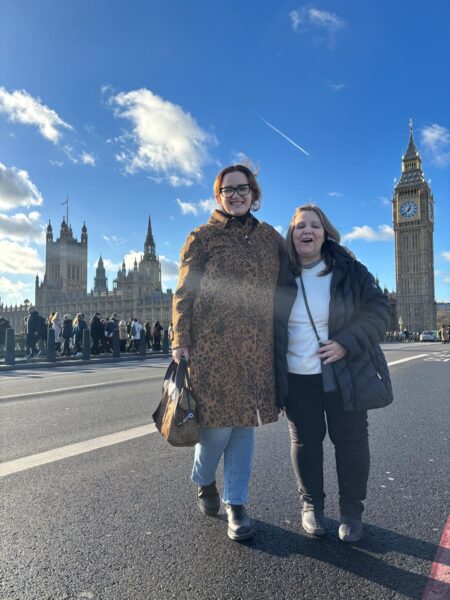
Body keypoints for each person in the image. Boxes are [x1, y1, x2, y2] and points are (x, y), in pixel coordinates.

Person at [172, 164, 283, 541]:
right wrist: (179, 338)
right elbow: (184, 289)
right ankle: (204, 481)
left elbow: (302, 262)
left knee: (244, 429)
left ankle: (237, 505)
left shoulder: (269, 237)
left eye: (243, 188)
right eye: (228, 189)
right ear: (219, 196)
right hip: (212, 349)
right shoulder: (202, 236)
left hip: (256, 349)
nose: (235, 195)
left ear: (254, 194)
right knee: (216, 430)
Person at [275, 204, 393, 543]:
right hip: (298, 377)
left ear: (326, 233)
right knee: (305, 441)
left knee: (351, 441)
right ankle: (311, 506)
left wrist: (345, 343)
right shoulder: (280, 276)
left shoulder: (350, 270)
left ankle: (352, 513)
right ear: (292, 235)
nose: (306, 231)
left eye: (314, 225)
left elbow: (379, 312)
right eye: (300, 226)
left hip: (345, 373)